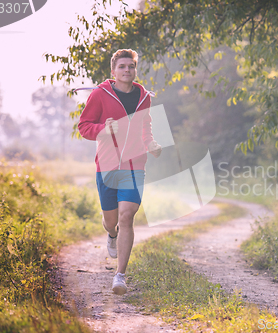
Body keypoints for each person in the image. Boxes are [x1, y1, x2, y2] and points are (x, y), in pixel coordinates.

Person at [78, 49, 162, 295]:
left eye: (131, 66)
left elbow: (145, 127)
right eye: (123, 66)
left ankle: (120, 276)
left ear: (135, 70)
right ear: (113, 71)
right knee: (112, 221)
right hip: (108, 165)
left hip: (135, 165)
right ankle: (110, 234)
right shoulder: (99, 95)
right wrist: (102, 130)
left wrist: (151, 143)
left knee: (127, 216)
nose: (127, 70)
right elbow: (84, 126)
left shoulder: (144, 96)